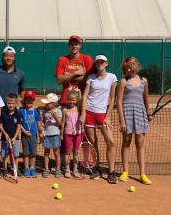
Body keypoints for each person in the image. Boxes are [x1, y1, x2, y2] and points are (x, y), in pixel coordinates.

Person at [80, 55, 118, 184]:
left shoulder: (112, 77)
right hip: (89, 112)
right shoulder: (91, 78)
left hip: (102, 113)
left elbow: (113, 98)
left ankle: (112, 172)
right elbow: (85, 96)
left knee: (111, 142)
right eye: (97, 62)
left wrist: (107, 116)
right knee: (93, 143)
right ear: (95, 64)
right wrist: (83, 114)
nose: (99, 64)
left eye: (102, 62)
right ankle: (96, 168)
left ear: (106, 63)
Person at [117, 57, 152, 185]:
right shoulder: (123, 82)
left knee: (140, 144)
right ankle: (125, 172)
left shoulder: (144, 81)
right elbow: (119, 101)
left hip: (140, 113)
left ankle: (142, 174)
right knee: (126, 142)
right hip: (127, 113)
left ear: (136, 65)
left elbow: (146, 98)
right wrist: (122, 120)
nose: (129, 69)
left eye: (131, 66)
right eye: (126, 68)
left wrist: (148, 113)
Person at [55, 35, 94, 106]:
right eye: (72, 44)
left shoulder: (87, 59)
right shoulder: (62, 59)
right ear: (69, 46)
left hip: (83, 100)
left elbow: (90, 79)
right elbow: (59, 80)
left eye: (76, 44)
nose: (74, 46)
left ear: (80, 46)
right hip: (66, 100)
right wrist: (75, 73)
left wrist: (67, 77)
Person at [20, 90, 43, 178]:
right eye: (27, 99)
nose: (29, 101)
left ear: (33, 101)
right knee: (26, 153)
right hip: (24, 135)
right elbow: (19, 124)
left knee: (33, 153)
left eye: (31, 100)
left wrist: (40, 133)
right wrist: (24, 132)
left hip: (34, 135)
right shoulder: (21, 111)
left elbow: (39, 123)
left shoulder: (36, 112)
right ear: (24, 100)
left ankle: (32, 168)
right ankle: (26, 168)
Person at [60, 89, 82, 178]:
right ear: (67, 100)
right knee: (67, 152)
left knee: (76, 152)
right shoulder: (65, 110)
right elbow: (62, 123)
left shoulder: (78, 109)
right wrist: (61, 134)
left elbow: (81, 100)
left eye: (73, 100)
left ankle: (75, 169)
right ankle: (67, 169)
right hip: (67, 134)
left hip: (78, 134)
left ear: (76, 100)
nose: (71, 102)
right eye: (70, 100)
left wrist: (79, 92)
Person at [0, 93, 22, 177]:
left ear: (16, 103)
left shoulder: (18, 113)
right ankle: (4, 169)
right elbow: (0, 125)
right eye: (9, 103)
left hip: (15, 139)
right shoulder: (3, 112)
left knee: (15, 155)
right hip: (5, 138)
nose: (11, 105)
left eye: (13, 103)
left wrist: (15, 137)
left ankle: (15, 169)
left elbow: (19, 126)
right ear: (6, 103)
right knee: (5, 155)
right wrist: (5, 134)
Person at [40, 93, 62, 178]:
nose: (46, 104)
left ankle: (58, 169)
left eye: (48, 103)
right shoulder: (45, 112)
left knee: (56, 153)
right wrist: (42, 131)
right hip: (47, 135)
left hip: (55, 134)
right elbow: (43, 122)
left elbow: (59, 123)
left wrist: (54, 115)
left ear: (54, 103)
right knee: (46, 153)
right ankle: (46, 169)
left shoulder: (58, 111)